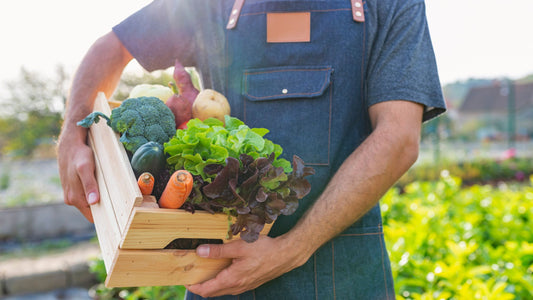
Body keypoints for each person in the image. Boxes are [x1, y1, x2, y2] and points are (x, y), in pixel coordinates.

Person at [57, 0, 446, 298]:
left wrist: (292, 249)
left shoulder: (390, 5)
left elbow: (397, 138)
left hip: (345, 276)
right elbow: (111, 47)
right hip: (221, 274)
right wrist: (72, 137)